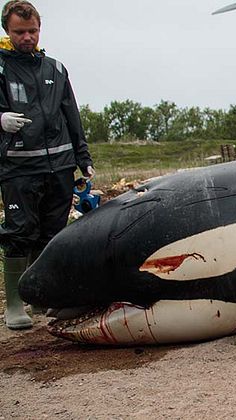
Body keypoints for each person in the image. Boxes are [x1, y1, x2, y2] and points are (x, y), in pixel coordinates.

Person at [0, 1, 94, 329]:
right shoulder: (1, 68)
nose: (27, 37)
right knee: (20, 232)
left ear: (40, 29)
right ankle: (14, 303)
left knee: (52, 232)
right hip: (19, 166)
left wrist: (84, 158)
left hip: (60, 164)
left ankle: (42, 297)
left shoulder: (55, 68)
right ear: (6, 31)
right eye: (19, 32)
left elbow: (72, 115)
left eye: (32, 31)